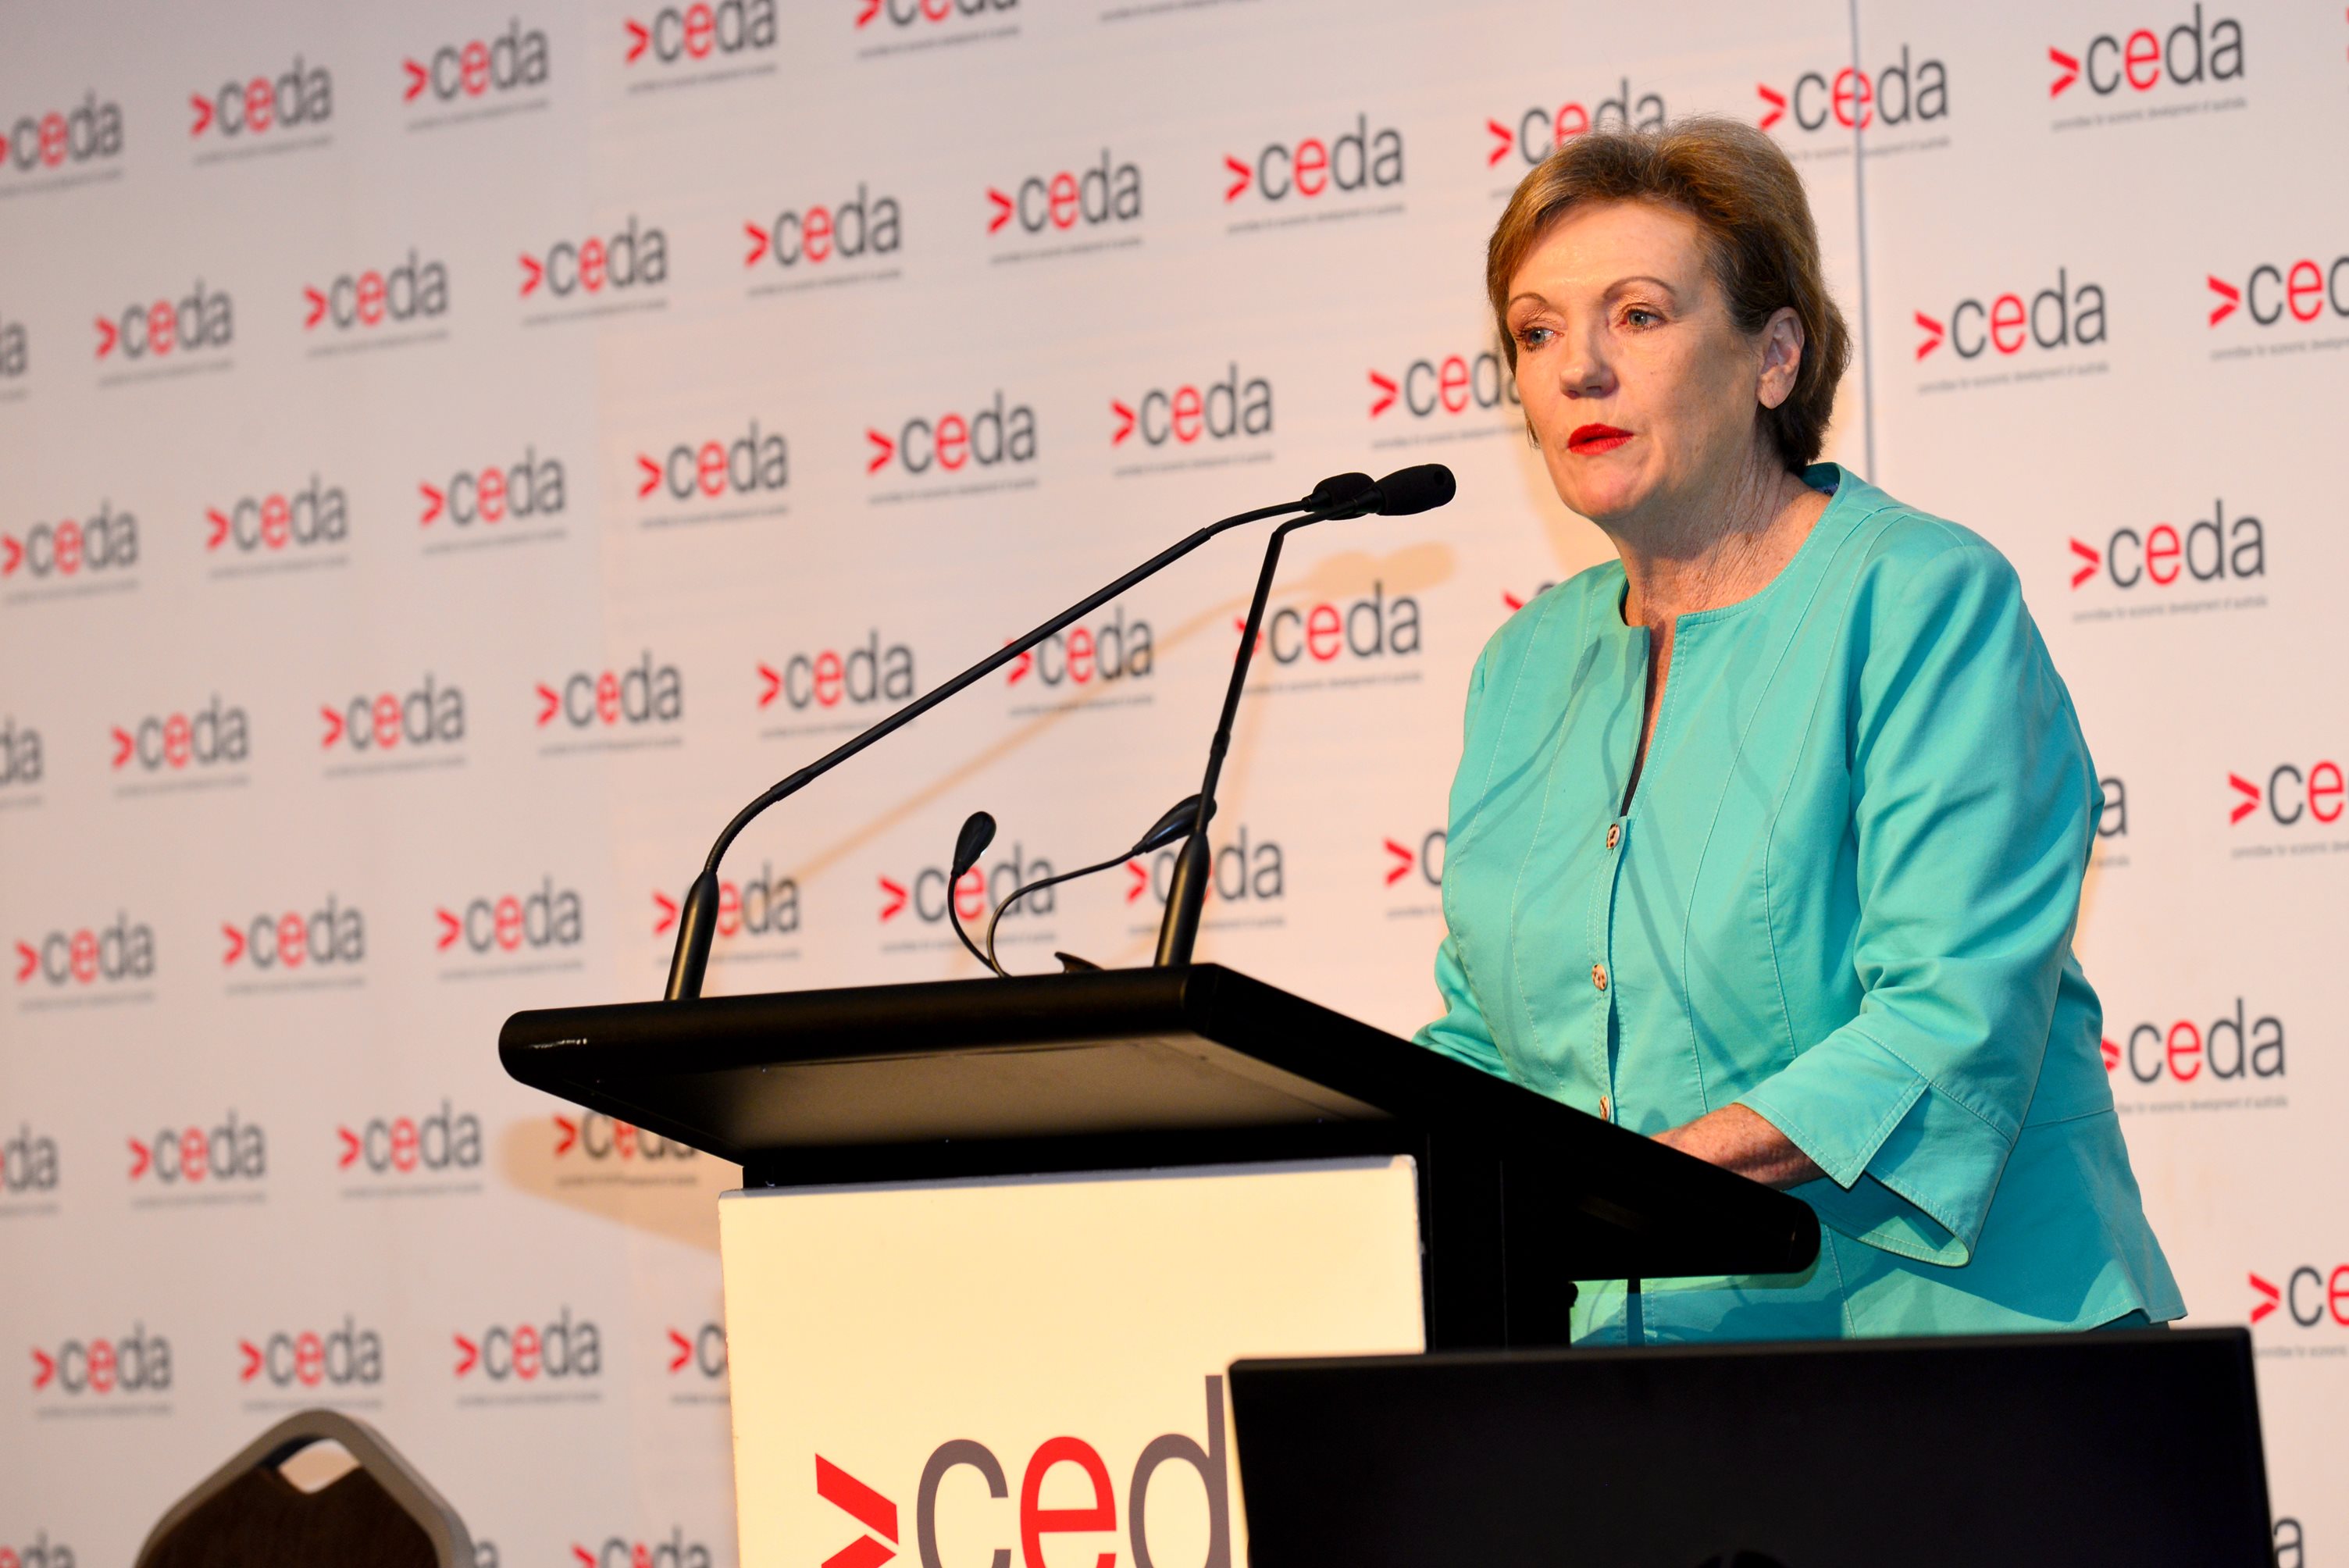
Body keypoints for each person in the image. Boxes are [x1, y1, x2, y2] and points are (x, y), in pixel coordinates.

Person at [1414, 116, 2183, 1342]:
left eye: (1638, 315)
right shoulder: (1522, 669)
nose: (1579, 370)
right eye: (1537, 331)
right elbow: (1487, 1046)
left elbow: (1946, 1014)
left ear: (1775, 356)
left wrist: (1617, 1195)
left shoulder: (1923, 602)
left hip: (1960, 1365)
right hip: (1639, 1371)